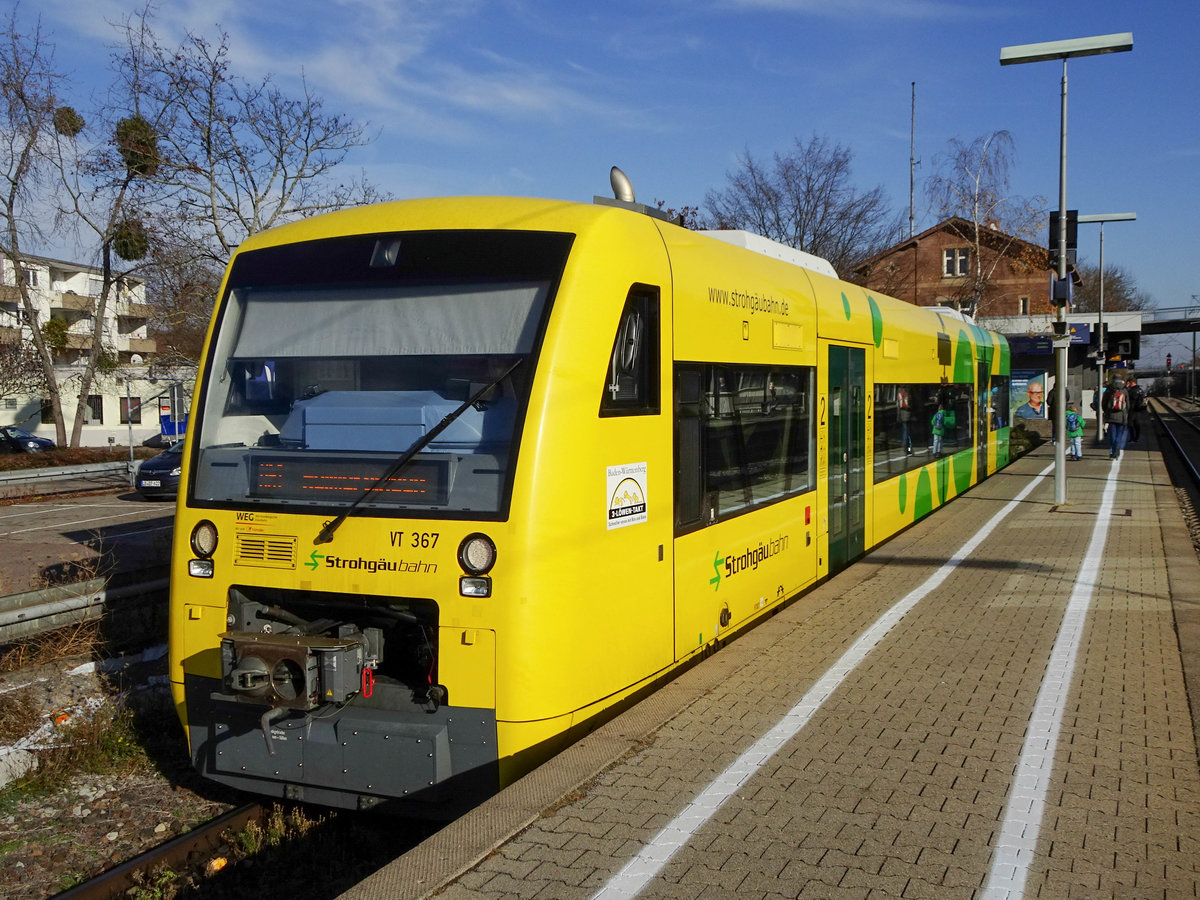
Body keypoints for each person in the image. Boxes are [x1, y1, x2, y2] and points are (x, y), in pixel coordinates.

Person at [1102, 373, 1130, 460]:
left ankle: (1113, 450)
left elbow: (1104, 402)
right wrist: (1126, 413)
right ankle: (1117, 449)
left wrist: (1106, 411)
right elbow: (1128, 404)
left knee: (1112, 434)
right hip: (1122, 416)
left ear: (1113, 379)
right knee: (1119, 434)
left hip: (1111, 415)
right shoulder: (1124, 390)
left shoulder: (1109, 389)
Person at [1126, 376, 1145, 443]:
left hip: (1132, 409)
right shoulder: (1141, 390)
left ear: (1132, 382)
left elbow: (1127, 398)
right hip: (1139, 409)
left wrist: (1126, 387)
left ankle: (1132, 438)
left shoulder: (1131, 390)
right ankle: (1137, 438)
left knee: (1130, 424)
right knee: (1137, 424)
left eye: (1129, 383)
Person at [897, 387, 913, 455]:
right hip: (908, 416)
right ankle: (908, 449)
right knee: (908, 434)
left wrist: (898, 417)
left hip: (902, 416)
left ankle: (906, 448)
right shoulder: (908, 395)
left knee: (905, 432)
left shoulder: (900, 394)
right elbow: (911, 406)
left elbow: (898, 407)